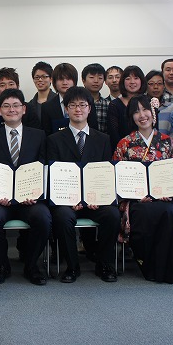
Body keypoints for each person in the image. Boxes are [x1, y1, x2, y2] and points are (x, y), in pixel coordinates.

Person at [113, 95, 173, 283]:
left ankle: (171, 265)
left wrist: (169, 192)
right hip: (137, 201)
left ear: (153, 112)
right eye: (136, 111)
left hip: (164, 199)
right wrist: (135, 196)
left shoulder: (166, 141)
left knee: (169, 212)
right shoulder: (125, 143)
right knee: (145, 213)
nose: (142, 115)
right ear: (131, 117)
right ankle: (150, 265)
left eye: (145, 109)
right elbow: (117, 177)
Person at [46, 87, 120, 283]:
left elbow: (105, 173)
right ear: (66, 109)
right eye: (72, 105)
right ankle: (72, 267)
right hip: (67, 201)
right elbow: (54, 175)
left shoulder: (103, 139)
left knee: (112, 215)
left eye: (82, 105)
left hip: (96, 200)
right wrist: (72, 199)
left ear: (89, 109)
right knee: (62, 217)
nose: (78, 109)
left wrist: (97, 197)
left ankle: (104, 264)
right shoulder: (54, 140)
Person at [0, 89, 51, 286]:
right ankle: (2, 266)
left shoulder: (38, 135)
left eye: (15, 105)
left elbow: (43, 166)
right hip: (0, 200)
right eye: (6, 106)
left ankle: (31, 265)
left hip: (30, 199)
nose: (11, 109)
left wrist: (35, 193)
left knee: (43, 217)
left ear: (24, 109)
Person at [42, 62, 98, 136]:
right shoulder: (47, 107)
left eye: (68, 79)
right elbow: (46, 134)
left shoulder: (86, 102)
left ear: (74, 81)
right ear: (54, 82)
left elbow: (93, 128)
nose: (65, 83)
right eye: (61, 79)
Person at [0, 67, 41, 134]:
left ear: (17, 86)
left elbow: (36, 134)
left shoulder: (29, 109)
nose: (7, 88)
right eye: (2, 85)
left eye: (11, 84)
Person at [107, 65, 147, 150]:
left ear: (141, 80)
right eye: (128, 79)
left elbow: (154, 130)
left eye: (136, 78)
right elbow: (113, 135)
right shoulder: (115, 105)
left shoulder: (149, 102)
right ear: (123, 82)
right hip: (123, 151)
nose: (132, 82)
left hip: (148, 150)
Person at [82, 63, 110, 134]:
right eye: (92, 77)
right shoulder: (77, 104)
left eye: (100, 78)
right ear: (83, 80)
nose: (96, 81)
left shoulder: (108, 104)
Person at [146, 70, 173, 136]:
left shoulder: (171, 108)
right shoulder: (141, 108)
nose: (156, 87)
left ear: (164, 86)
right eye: (151, 84)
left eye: (159, 83)